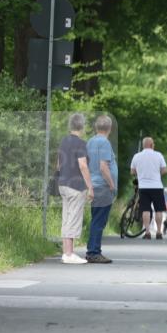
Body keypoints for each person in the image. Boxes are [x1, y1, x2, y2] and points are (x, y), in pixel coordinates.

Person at [58, 113, 93, 264]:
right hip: (76, 186)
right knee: (73, 219)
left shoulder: (63, 141)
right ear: (82, 127)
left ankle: (66, 253)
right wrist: (90, 187)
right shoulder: (81, 143)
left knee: (66, 218)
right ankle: (69, 253)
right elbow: (83, 165)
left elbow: (58, 165)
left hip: (63, 184)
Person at [85, 115, 118, 264]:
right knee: (99, 221)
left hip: (94, 185)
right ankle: (93, 252)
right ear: (109, 128)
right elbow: (103, 167)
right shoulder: (104, 142)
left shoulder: (90, 141)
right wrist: (112, 184)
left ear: (96, 127)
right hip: (103, 187)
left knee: (96, 220)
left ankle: (93, 250)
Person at [130, 137, 167, 240]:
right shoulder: (158, 155)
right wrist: (157, 174)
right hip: (157, 186)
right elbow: (164, 170)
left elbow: (132, 172)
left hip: (143, 187)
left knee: (145, 209)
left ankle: (147, 232)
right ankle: (159, 232)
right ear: (151, 145)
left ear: (143, 145)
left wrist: (141, 174)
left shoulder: (137, 156)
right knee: (158, 210)